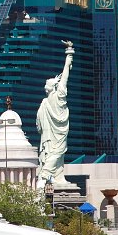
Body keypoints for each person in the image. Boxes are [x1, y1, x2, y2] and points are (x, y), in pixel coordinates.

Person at [36, 41, 74, 189]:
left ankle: (59, 177)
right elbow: (65, 74)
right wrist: (69, 53)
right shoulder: (58, 96)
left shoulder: (44, 102)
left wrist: (69, 53)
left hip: (49, 134)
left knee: (56, 154)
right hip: (58, 132)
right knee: (57, 153)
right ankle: (44, 176)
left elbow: (38, 125)